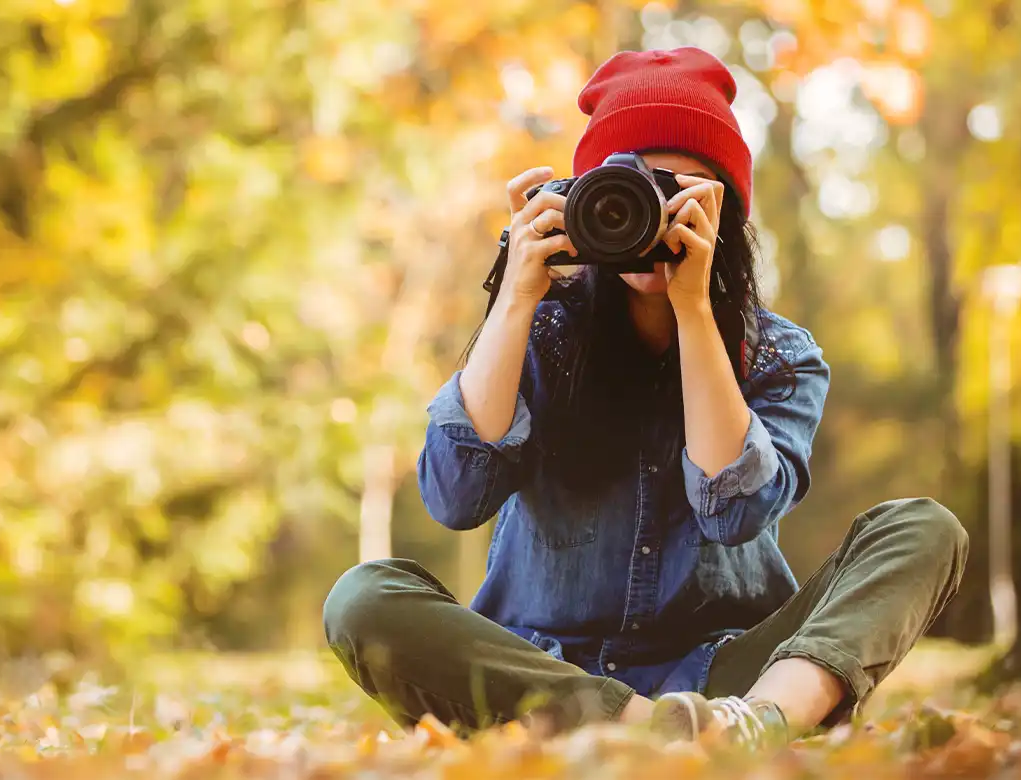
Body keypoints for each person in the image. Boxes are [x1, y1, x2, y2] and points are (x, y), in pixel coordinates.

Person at [323, 47, 968, 748]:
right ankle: (645, 727)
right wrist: (514, 293)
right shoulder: (541, 332)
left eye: (680, 195)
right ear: (579, 201)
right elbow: (455, 497)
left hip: (725, 683)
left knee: (922, 528)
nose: (652, 218)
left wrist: (695, 311)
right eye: (626, 192)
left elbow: (734, 511)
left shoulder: (779, 355)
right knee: (363, 598)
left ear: (726, 215)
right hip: (540, 680)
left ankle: (765, 721)